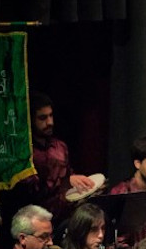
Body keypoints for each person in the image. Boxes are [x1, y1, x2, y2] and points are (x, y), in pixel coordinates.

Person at [5, 92, 94, 226]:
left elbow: (68, 174)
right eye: (43, 118)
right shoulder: (23, 152)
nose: (50, 122)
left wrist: (81, 182)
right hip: (34, 223)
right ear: (30, 120)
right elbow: (31, 191)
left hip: (63, 218)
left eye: (51, 116)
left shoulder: (60, 147)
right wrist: (65, 181)